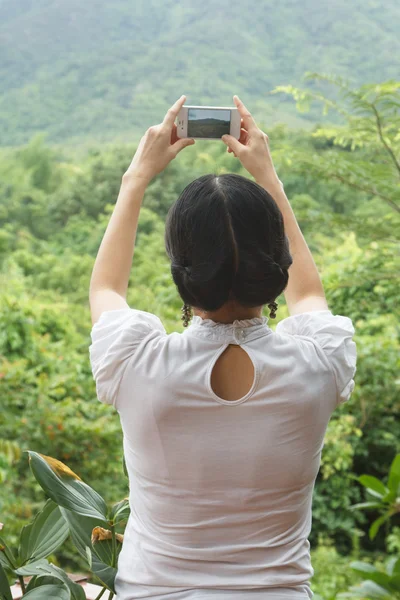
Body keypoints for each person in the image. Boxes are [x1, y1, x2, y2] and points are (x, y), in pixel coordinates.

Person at [89, 95, 357, 600]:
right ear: (276, 268)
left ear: (181, 275)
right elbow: (310, 295)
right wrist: (268, 178)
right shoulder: (320, 362)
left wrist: (136, 178)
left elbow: (105, 289)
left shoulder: (135, 361)